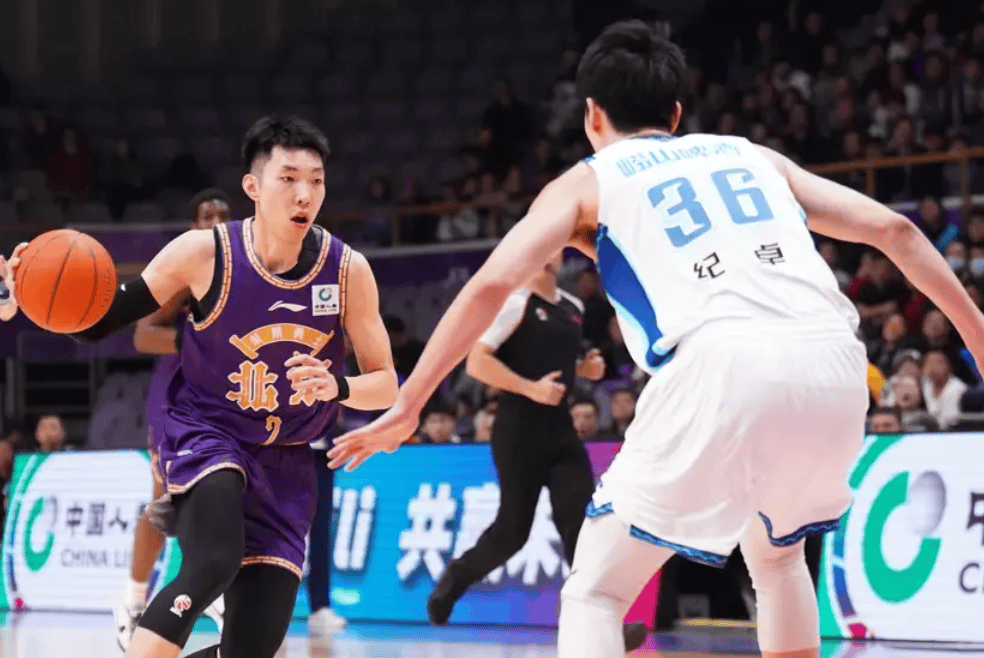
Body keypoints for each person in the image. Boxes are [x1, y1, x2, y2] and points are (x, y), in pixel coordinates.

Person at [326, 21, 984, 658]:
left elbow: (496, 281)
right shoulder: (750, 154)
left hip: (721, 364)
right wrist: (978, 338)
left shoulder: (588, 180)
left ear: (591, 114)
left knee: (596, 591)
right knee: (778, 556)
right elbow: (896, 232)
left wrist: (410, 403)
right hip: (834, 362)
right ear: (675, 113)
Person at [1, 114, 398, 658]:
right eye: (288, 179)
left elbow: (386, 385)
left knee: (251, 650)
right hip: (207, 433)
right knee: (214, 561)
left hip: (287, 459)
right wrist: (27, 295)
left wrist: (339, 387)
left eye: (316, 180)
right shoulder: (202, 254)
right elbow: (99, 323)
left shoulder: (348, 271)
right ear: (252, 186)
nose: (305, 194)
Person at [426, 255, 646, 651]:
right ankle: (456, 577)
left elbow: (557, 361)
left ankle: (603, 624)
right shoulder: (514, 303)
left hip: (560, 432)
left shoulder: (572, 306)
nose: (548, 252)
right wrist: (530, 388)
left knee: (582, 526)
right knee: (512, 532)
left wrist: (585, 369)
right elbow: (477, 363)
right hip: (517, 432)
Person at [114, 188, 232, 651]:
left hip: (226, 400)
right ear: (193, 225)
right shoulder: (184, 274)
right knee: (165, 499)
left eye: (223, 215)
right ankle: (133, 599)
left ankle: (218, 591)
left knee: (225, 495)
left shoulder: (246, 272)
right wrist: (196, 344)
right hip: (177, 399)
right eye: (206, 215)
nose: (215, 222)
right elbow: (143, 335)